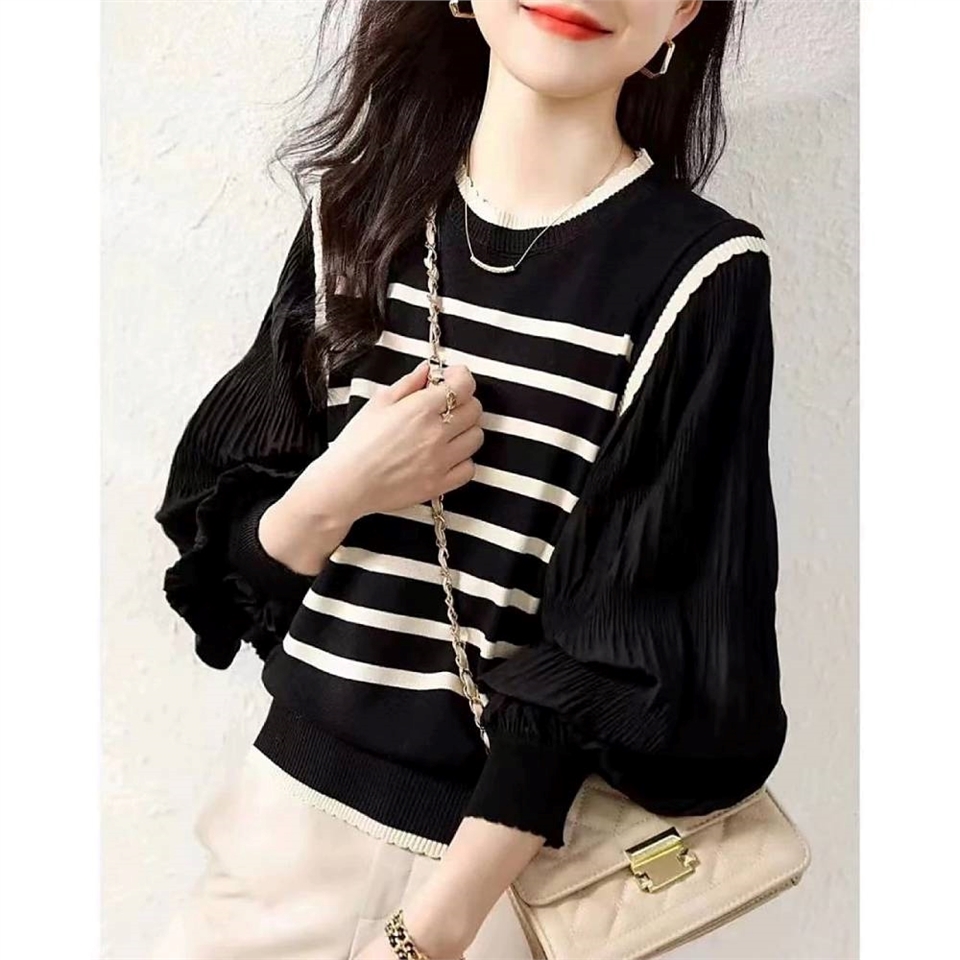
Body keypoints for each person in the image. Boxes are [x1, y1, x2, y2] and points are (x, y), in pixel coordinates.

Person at [149, 2, 788, 958]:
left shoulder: (699, 275)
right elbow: (230, 571)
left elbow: (635, 650)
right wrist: (340, 486)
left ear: (684, 11)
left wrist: (432, 932)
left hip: (491, 891)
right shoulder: (354, 216)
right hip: (275, 838)